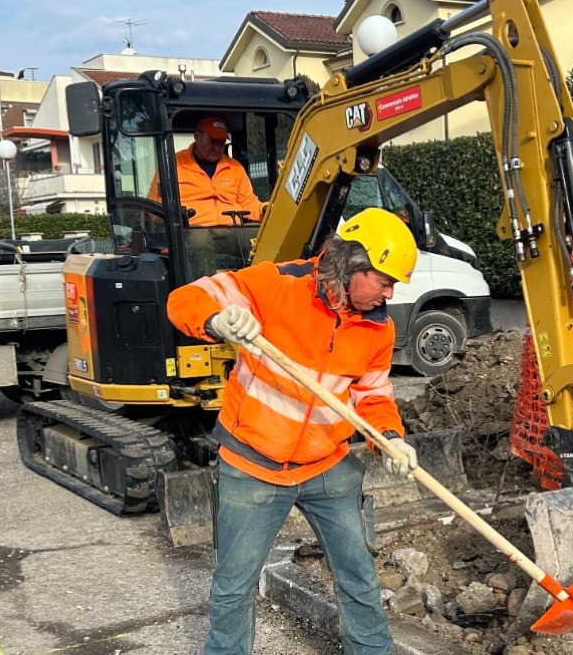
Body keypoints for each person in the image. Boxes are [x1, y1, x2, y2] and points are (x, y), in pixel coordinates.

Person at [166, 207, 421, 655]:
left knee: (359, 577)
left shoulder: (377, 326)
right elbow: (187, 297)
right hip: (253, 465)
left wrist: (391, 438)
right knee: (233, 588)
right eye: (384, 281)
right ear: (354, 264)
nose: (390, 293)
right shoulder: (276, 284)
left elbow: (373, 396)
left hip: (327, 466)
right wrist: (216, 320)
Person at [148, 117, 265, 227]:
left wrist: (265, 209)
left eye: (221, 143)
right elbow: (155, 207)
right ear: (197, 136)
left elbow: (248, 202)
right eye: (213, 141)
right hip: (192, 232)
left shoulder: (235, 168)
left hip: (234, 230)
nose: (218, 148)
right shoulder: (173, 166)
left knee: (260, 234)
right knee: (201, 240)